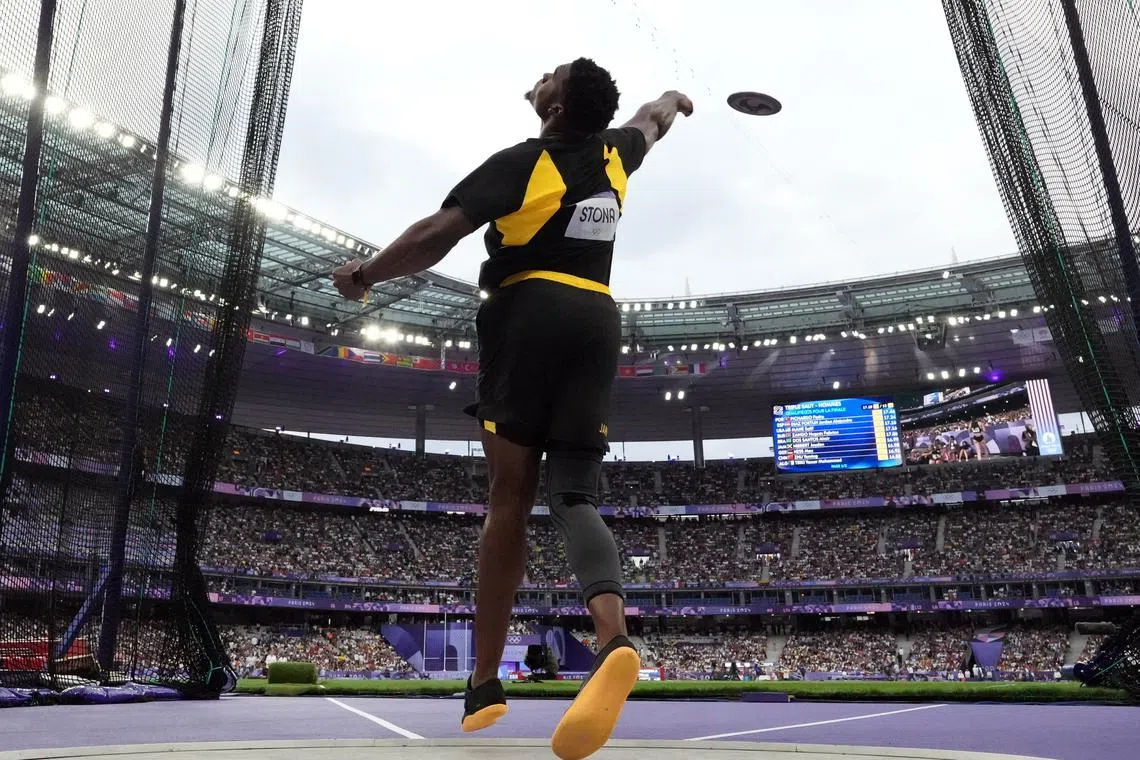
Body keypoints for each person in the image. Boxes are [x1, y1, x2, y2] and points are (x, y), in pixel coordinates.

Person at [332, 58, 692, 760]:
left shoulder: (525, 161)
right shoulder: (617, 151)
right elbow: (654, 118)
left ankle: (485, 683)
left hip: (527, 316)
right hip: (597, 321)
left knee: (508, 498)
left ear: (556, 108)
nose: (540, 76)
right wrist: (676, 97)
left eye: (549, 76)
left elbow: (440, 233)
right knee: (574, 496)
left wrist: (365, 273)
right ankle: (614, 639)